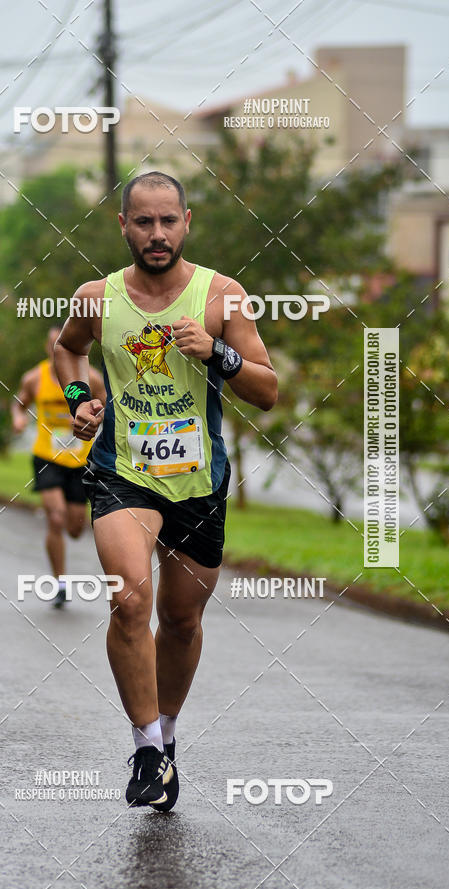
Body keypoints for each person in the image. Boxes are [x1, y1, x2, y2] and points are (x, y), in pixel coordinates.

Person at [54, 172, 277, 809]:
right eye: (143, 222)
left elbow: (268, 390)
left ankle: (169, 740)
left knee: (180, 620)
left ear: (187, 222)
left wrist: (217, 354)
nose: (157, 234)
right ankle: (146, 746)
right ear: (122, 225)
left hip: (199, 482)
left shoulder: (222, 297)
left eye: (168, 221)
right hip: (122, 473)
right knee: (130, 601)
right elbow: (67, 352)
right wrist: (82, 402)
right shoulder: (96, 298)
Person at [12, 326, 105, 608]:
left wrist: (100, 412)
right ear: (48, 348)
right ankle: (60, 583)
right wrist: (18, 418)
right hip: (47, 456)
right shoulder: (34, 378)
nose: (57, 352)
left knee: (76, 528)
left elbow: (109, 404)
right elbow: (19, 403)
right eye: (54, 346)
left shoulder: (91, 378)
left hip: (80, 460)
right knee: (55, 517)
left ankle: (69, 523)